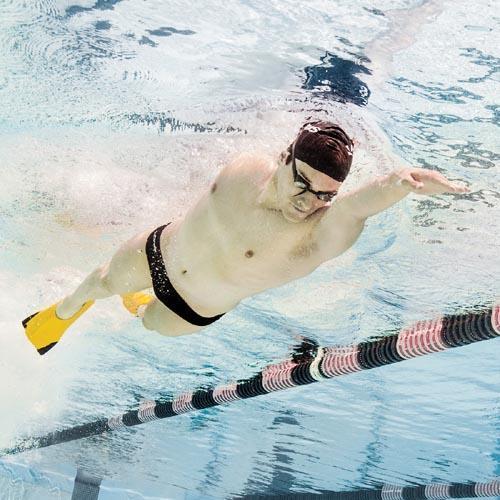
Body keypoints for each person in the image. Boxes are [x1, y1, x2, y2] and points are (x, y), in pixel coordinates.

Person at [22, 120, 468, 355]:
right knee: (99, 282)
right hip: (158, 251)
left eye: (324, 195)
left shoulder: (315, 235)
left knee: (149, 323)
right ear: (284, 157)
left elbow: (356, 207)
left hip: (192, 308)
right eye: (302, 184)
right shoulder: (248, 166)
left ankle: (138, 303)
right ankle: (57, 318)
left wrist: (399, 183)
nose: (308, 202)